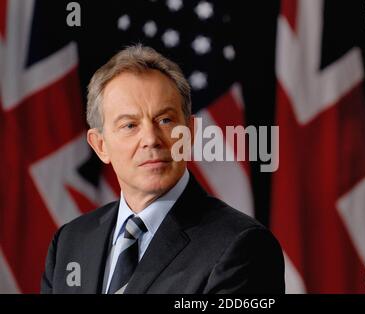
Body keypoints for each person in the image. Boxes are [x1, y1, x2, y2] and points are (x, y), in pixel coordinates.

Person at [41, 44, 285, 294]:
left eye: (165, 120)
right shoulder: (69, 243)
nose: (151, 138)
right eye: (129, 125)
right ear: (100, 145)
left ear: (189, 133)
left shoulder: (243, 246)